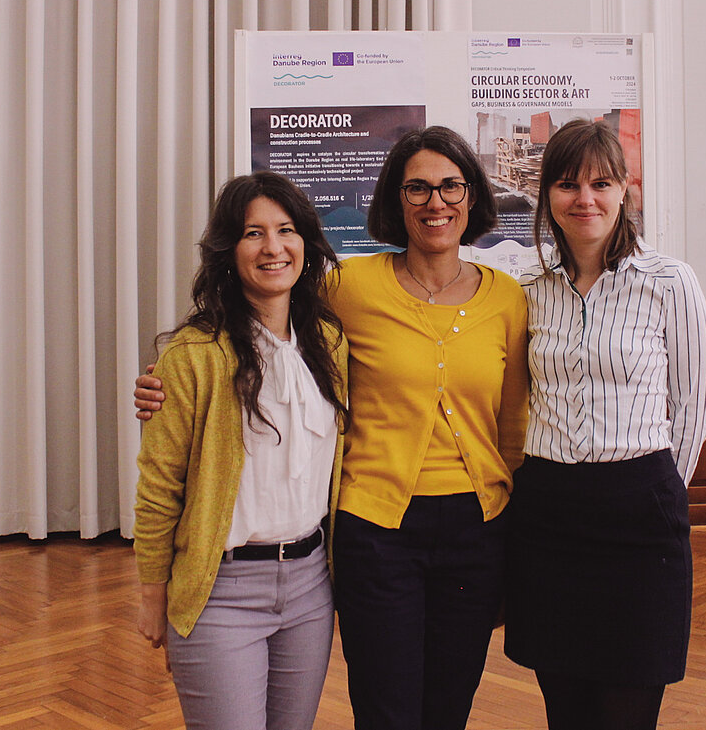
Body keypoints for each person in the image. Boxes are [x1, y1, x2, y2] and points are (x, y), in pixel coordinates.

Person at [136, 126, 529, 730]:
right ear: (396, 202)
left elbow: (510, 423)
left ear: (472, 196)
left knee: (450, 704)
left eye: (450, 186)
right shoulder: (348, 287)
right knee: (386, 707)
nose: (435, 202)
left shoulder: (505, 298)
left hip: (474, 529)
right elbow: (258, 310)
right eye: (417, 188)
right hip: (377, 526)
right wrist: (166, 379)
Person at [505, 118, 706, 730]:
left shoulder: (669, 281)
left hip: (639, 513)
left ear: (626, 190)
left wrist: (658, 493)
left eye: (601, 183)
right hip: (548, 511)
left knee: (629, 703)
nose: (584, 199)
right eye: (567, 184)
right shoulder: (525, 284)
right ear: (546, 196)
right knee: (564, 704)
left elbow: (693, 406)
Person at [133, 171, 349, 730]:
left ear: (306, 242)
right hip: (220, 592)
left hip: (309, 585)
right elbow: (159, 488)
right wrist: (151, 596)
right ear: (230, 252)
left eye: (286, 230)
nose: (273, 248)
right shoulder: (193, 355)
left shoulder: (328, 342)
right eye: (254, 233)